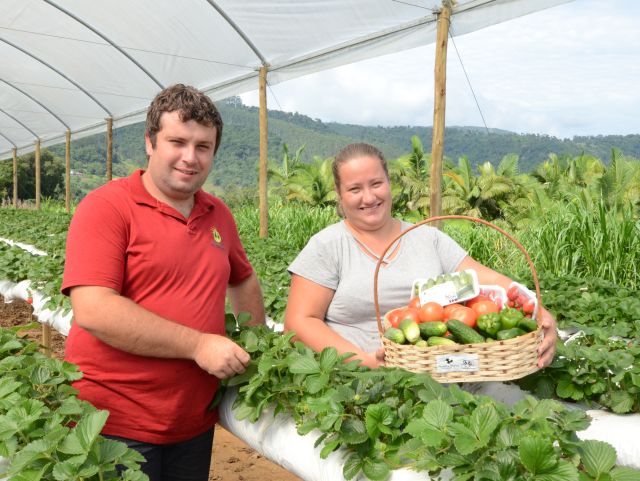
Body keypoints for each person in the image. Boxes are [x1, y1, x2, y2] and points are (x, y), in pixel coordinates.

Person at [61, 84, 265, 481]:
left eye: (203, 146)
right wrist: (199, 344)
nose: (191, 157)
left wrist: (253, 345)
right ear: (150, 142)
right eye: (177, 142)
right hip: (115, 424)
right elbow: (95, 309)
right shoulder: (107, 207)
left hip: (193, 420)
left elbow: (243, 279)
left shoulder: (217, 212)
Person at [284, 142, 557, 369]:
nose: (368, 197)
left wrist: (538, 309)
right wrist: (365, 362)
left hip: (439, 372)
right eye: (355, 189)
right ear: (340, 195)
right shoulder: (328, 246)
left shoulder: (427, 238)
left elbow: (485, 279)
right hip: (355, 378)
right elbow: (299, 324)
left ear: (389, 184)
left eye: (376, 184)